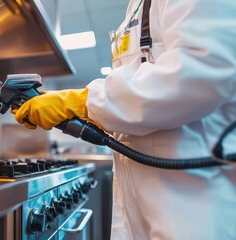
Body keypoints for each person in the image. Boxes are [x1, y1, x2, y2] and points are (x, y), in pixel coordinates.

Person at [13, 0, 236, 239]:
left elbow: (198, 74)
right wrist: (99, 113)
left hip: (194, 206)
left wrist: (85, 102)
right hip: (149, 203)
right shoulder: (136, 6)